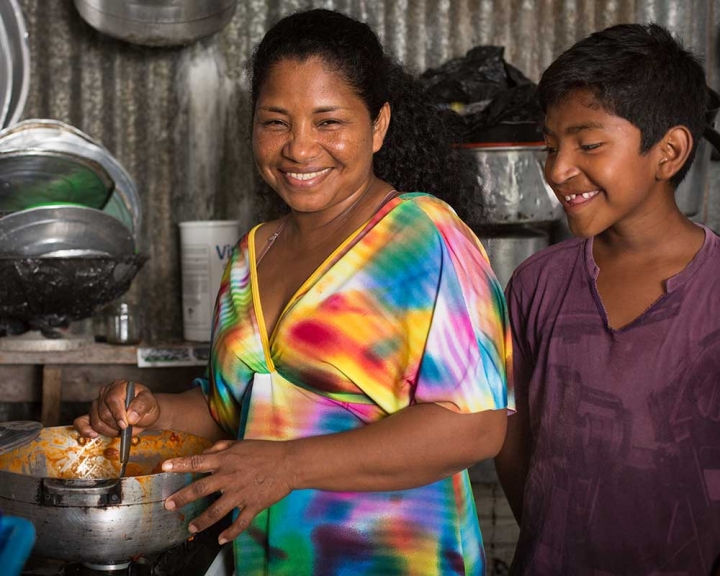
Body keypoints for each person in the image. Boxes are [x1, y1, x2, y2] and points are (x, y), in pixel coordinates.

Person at [75, 8, 513, 576]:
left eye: (328, 122)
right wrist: (153, 412)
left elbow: (476, 426)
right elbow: (233, 410)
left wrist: (287, 466)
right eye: (276, 122)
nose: (300, 148)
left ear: (378, 126)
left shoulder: (425, 238)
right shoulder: (249, 258)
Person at [494, 22, 720, 575]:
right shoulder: (536, 284)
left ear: (668, 152)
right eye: (550, 146)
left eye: (588, 144)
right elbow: (511, 439)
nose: (557, 170)